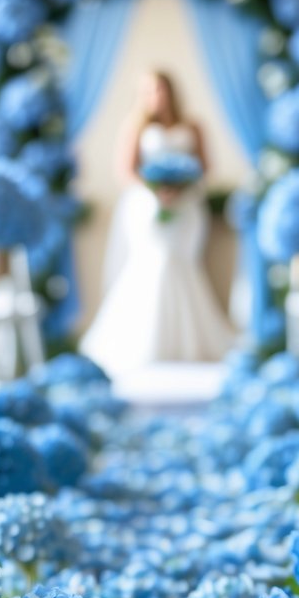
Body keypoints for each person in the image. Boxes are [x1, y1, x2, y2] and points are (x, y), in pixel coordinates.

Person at [80, 70, 235, 377]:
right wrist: (156, 190)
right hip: (148, 207)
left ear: (171, 91)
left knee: (183, 264)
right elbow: (126, 171)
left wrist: (182, 187)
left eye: (160, 89)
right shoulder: (136, 126)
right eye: (149, 91)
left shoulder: (193, 126)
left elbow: (204, 168)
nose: (156, 96)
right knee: (155, 262)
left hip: (186, 208)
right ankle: (144, 342)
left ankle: (188, 342)